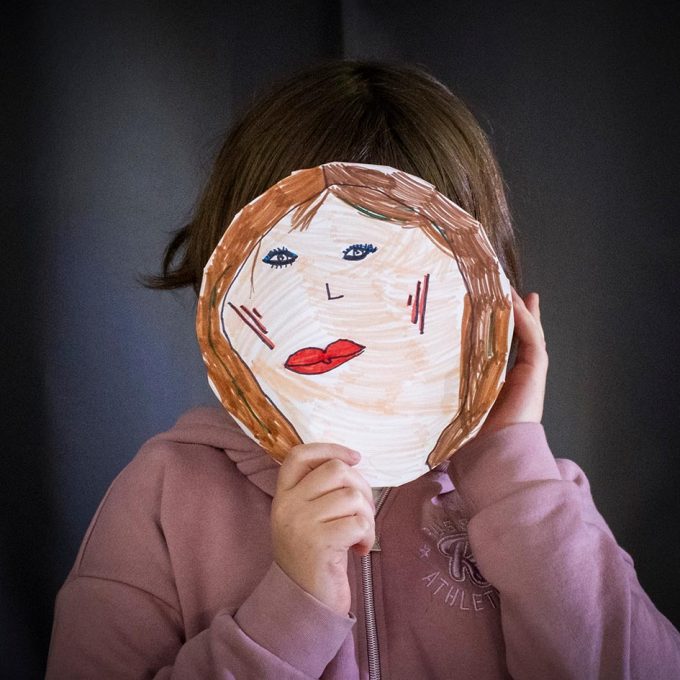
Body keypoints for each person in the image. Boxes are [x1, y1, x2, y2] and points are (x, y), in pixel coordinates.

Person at [45, 60, 680, 679]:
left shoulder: (536, 496)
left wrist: (510, 469)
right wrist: (290, 609)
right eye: (283, 258)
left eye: (360, 251)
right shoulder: (166, 492)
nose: (328, 294)